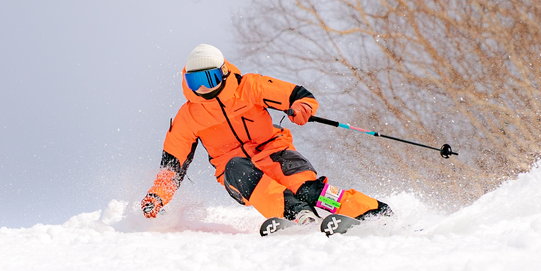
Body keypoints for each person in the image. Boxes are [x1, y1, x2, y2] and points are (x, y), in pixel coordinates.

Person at [141, 44, 391, 224]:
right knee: (235, 165)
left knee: (308, 189)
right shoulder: (188, 117)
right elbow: (173, 166)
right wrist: (156, 197)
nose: (205, 88)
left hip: (275, 153)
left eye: (210, 78)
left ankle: (374, 213)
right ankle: (296, 214)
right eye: (196, 82)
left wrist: (301, 108)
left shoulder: (249, 86)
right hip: (239, 173)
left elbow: (298, 95)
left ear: (223, 72)